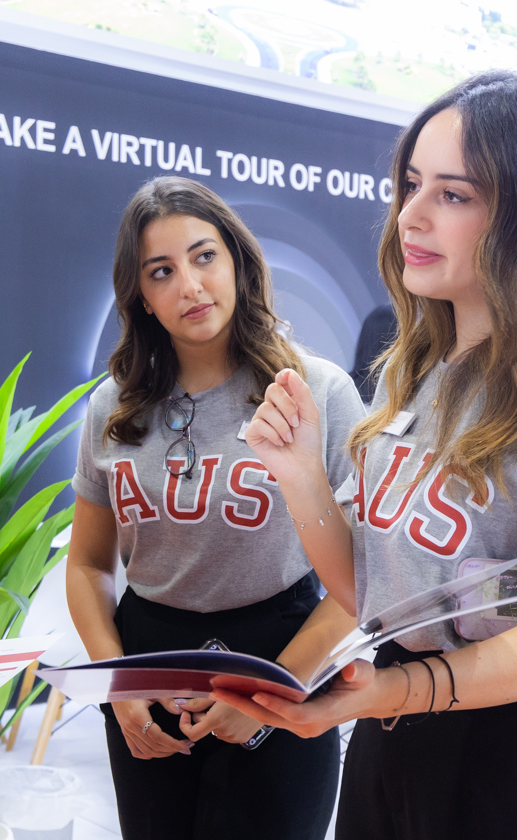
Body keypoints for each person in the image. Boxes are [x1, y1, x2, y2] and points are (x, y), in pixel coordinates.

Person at [220, 71, 517, 840]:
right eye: (410, 185)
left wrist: (396, 692)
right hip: (395, 750)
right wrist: (300, 473)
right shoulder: (417, 366)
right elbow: (377, 591)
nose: (412, 215)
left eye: (454, 195)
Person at [66, 176, 364, 840]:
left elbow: (363, 572)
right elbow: (87, 566)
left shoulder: (314, 390)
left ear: (238, 260)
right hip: (150, 667)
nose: (191, 286)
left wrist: (279, 690)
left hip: (282, 654)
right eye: (162, 271)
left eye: (205, 257)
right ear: (141, 295)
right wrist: (120, 688)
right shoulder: (112, 409)